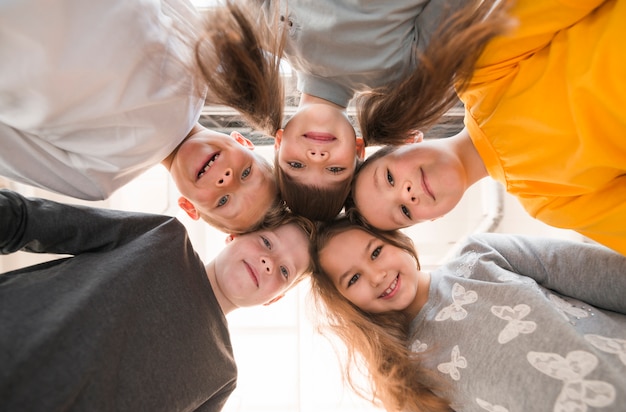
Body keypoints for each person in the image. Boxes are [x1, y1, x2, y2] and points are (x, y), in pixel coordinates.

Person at [0, 189, 314, 412]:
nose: (268, 261)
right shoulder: (164, 236)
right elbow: (34, 221)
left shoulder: (222, 378)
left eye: (284, 271)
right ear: (235, 235)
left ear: (275, 299)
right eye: (267, 242)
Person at [350, 0, 626, 256]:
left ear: (408, 139)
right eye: (405, 211)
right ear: (436, 217)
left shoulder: (481, 71)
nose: (406, 194)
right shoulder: (550, 203)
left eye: (388, 178)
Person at [194, 0, 510, 220]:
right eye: (335, 170)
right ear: (359, 150)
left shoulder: (266, 31)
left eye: (296, 164)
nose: (316, 158)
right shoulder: (402, 75)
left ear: (278, 142)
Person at [0, 0, 279, 234]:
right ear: (244, 141)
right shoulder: (199, 59)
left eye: (223, 201)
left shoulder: (96, 180)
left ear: (188, 208)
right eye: (246, 173)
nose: (226, 179)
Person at [309, 216, 626, 412]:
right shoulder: (405, 377)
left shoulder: (481, 255)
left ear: (397, 240)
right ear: (346, 302)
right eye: (353, 279)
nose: (376, 275)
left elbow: (602, 275)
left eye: (376, 251)